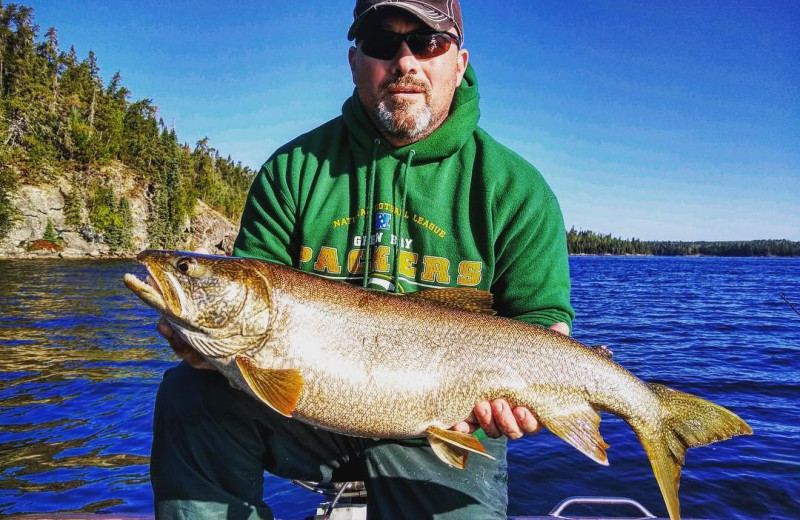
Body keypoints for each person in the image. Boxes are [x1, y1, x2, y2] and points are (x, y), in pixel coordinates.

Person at [152, 1, 574, 519]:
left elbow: (542, 327)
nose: (404, 62)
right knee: (190, 395)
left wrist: (525, 403)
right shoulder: (293, 171)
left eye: (427, 43)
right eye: (381, 43)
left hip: (449, 433)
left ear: (459, 63)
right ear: (355, 62)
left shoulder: (518, 190)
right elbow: (250, 333)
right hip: (306, 415)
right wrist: (207, 349)